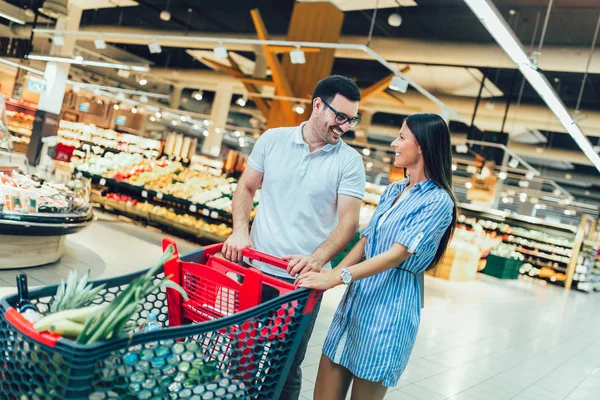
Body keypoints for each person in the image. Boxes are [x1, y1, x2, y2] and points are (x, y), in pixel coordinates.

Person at [222, 75, 366, 400]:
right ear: (318, 105)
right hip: (255, 272)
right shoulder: (273, 140)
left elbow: (348, 223)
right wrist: (240, 232)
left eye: (351, 119)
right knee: (240, 356)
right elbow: (245, 187)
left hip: (302, 286)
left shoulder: (350, 162)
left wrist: (315, 260)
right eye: (339, 116)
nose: (344, 126)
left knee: (284, 368)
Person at [297, 113, 458, 400]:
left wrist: (339, 276)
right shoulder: (394, 190)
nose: (395, 143)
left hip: (389, 310)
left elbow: (396, 255)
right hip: (356, 302)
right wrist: (330, 275)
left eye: (402, 136)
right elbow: (366, 240)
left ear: (421, 145)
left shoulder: (438, 201)